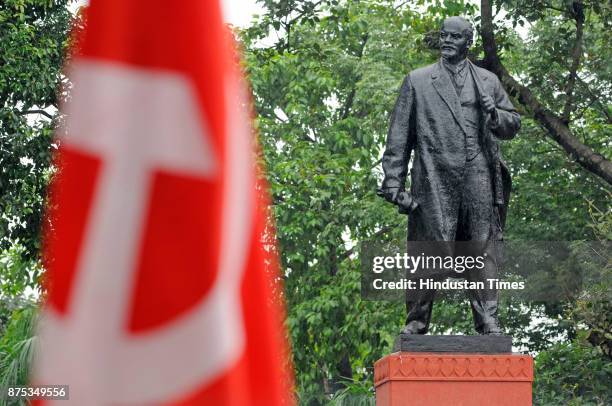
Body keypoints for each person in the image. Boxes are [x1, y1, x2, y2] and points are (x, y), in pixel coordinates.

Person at [378, 16, 520, 335]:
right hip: (434, 174)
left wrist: (495, 114)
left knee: (481, 246)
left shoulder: (487, 82)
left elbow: (512, 124)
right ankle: (417, 319)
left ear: (468, 42)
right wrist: (392, 183)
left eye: (454, 37)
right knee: (428, 248)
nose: (447, 41)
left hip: (478, 173)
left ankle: (487, 318)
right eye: (444, 36)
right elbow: (399, 136)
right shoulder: (418, 81)